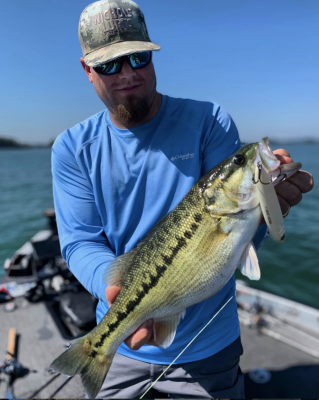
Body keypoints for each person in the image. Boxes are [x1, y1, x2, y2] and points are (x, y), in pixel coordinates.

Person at [51, 0, 313, 398]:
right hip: (122, 335)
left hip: (209, 347)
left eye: (137, 57)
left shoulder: (210, 121)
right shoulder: (72, 148)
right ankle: (94, 352)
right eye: (108, 65)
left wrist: (268, 209)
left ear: (152, 55)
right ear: (87, 71)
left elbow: (236, 242)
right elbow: (80, 240)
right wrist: (114, 288)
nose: (127, 74)